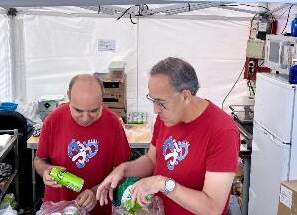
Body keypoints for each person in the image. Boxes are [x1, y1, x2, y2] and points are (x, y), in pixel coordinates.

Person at [96, 57, 240, 215]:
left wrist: (164, 184)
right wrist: (123, 169)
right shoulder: (166, 117)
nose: (155, 110)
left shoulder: (222, 132)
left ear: (185, 96)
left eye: (160, 102)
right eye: (152, 100)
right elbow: (152, 160)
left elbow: (213, 208)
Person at [34, 74, 132, 215]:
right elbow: (39, 160)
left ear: (101, 100)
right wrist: (45, 170)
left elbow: (122, 172)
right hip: (58, 208)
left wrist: (96, 190)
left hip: (98, 208)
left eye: (94, 111)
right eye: (78, 110)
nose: (85, 119)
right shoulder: (53, 120)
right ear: (69, 96)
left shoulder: (113, 123)